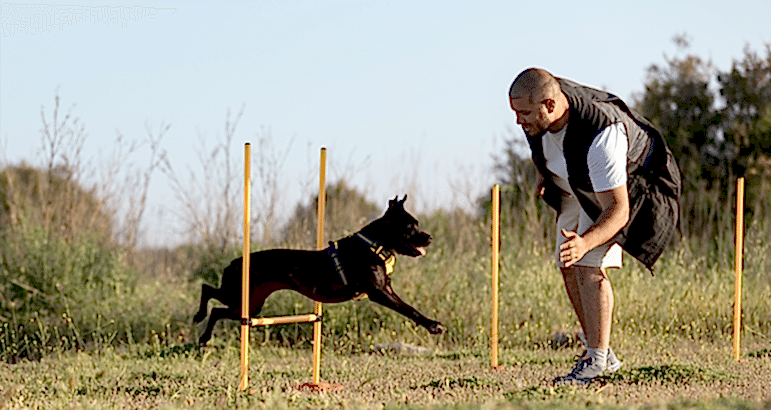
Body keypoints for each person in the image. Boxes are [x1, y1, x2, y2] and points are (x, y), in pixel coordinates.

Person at [508, 68, 681, 384]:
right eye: (515, 112)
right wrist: (547, 174)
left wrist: (586, 242)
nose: (519, 121)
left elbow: (618, 211)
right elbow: (552, 146)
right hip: (578, 182)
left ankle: (597, 362)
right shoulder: (541, 113)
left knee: (587, 263)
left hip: (622, 190)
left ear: (550, 104)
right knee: (567, 262)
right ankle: (599, 353)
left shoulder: (602, 136)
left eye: (525, 113)